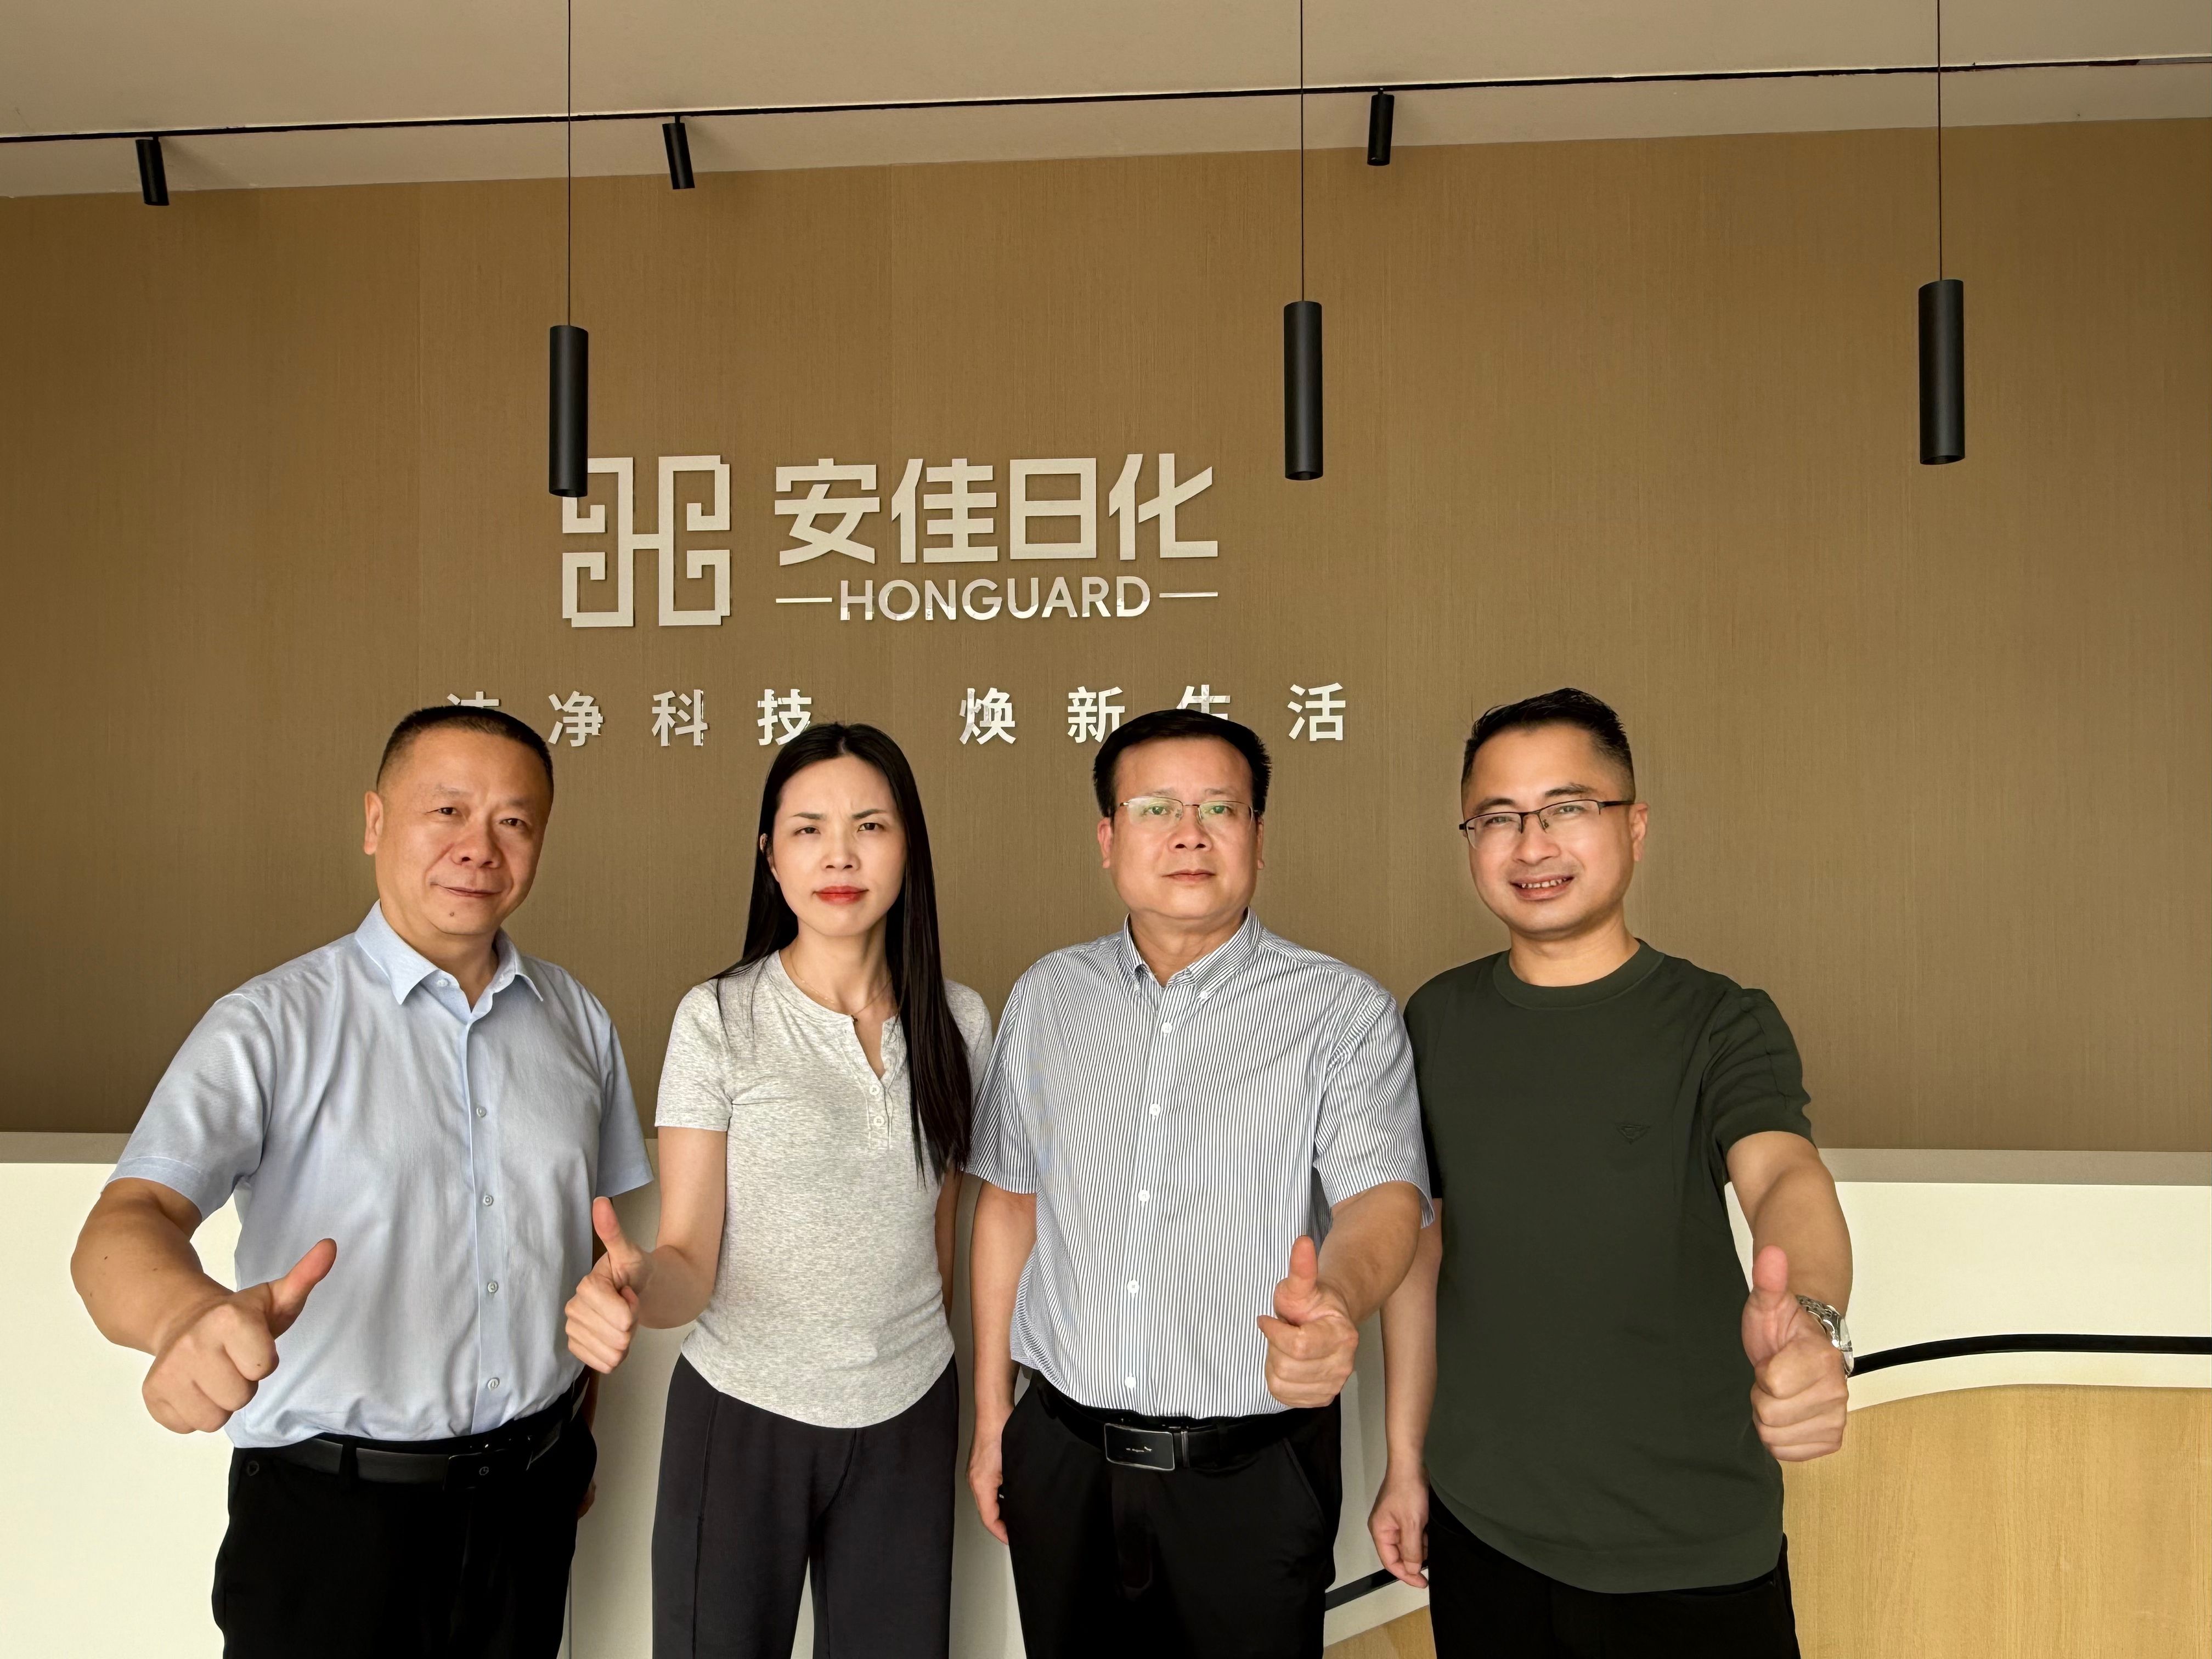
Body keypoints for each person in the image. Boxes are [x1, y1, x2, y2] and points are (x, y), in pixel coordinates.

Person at [70, 704, 652, 1658]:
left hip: (530, 1502)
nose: (480, 847)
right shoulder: (270, 1023)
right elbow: (129, 1218)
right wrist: (182, 1319)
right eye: (447, 811)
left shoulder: (578, 1021)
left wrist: (574, 1432)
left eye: (513, 821)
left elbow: (591, 1246)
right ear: (376, 822)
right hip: (330, 1522)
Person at [1367, 688, 1854, 1658]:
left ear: (1634, 826)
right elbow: (1423, 1252)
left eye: (1567, 808)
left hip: (1688, 1539)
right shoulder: (1436, 1019)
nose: (1532, 844)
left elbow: (1783, 1177)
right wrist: (1407, 1462)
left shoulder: (1720, 1019)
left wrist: (1813, 1320)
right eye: (1498, 818)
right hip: (1486, 1524)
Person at [965, 707, 1431, 1659]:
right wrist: (990, 1416)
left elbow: (1385, 1200)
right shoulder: (1048, 996)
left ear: (1258, 834)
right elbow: (1010, 1204)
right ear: (1108, 838)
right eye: (1156, 809)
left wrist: (1336, 1301)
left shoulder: (1341, 1010)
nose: (1190, 833)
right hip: (1062, 1456)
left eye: (1221, 807)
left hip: (1249, 1478)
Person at [563, 723, 990, 1659]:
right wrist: (635, 1283)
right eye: (807, 830)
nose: (840, 855)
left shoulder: (960, 1022)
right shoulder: (718, 1018)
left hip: (912, 1412)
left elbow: (942, 1238)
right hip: (744, 1416)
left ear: (909, 845)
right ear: (769, 855)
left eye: (870, 825)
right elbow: (687, 1257)